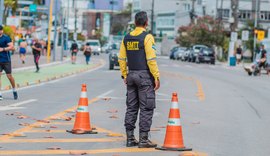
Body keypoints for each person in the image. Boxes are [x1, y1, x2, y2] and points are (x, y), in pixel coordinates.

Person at [118, 11, 160, 148]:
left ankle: (130, 138)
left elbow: (121, 58)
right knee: (146, 107)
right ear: (146, 22)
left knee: (131, 107)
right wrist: (156, 76)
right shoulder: (147, 37)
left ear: (135, 23)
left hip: (131, 76)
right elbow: (151, 59)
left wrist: (124, 74)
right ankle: (143, 139)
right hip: (144, 77)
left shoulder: (126, 37)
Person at [0, 25, 18, 100]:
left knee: (9, 76)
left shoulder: (6, 38)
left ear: (2, 31)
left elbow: (12, 47)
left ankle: (14, 90)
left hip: (6, 60)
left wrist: (3, 49)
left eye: (0, 30)